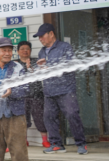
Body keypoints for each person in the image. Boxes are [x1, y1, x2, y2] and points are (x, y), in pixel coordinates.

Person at [34, 23, 88, 155]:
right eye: (39, 37)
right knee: (49, 117)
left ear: (51, 34)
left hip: (66, 90)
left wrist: (48, 65)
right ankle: (56, 144)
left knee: (72, 115)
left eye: (42, 36)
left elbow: (69, 65)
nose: (40, 39)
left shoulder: (65, 47)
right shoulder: (42, 51)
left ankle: (81, 144)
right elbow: (43, 70)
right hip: (49, 91)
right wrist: (36, 68)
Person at [0, 37, 30, 161]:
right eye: (3, 50)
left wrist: (12, 91)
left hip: (15, 116)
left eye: (9, 50)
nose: (7, 53)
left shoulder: (19, 68)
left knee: (19, 153)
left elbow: (26, 89)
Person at [15, 41, 50, 148]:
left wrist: (30, 67)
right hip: (21, 96)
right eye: (22, 49)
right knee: (22, 119)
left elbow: (41, 75)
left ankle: (44, 140)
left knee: (40, 117)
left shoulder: (36, 61)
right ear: (18, 51)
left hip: (36, 94)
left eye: (27, 49)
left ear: (30, 51)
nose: (25, 51)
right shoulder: (14, 64)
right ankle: (24, 141)